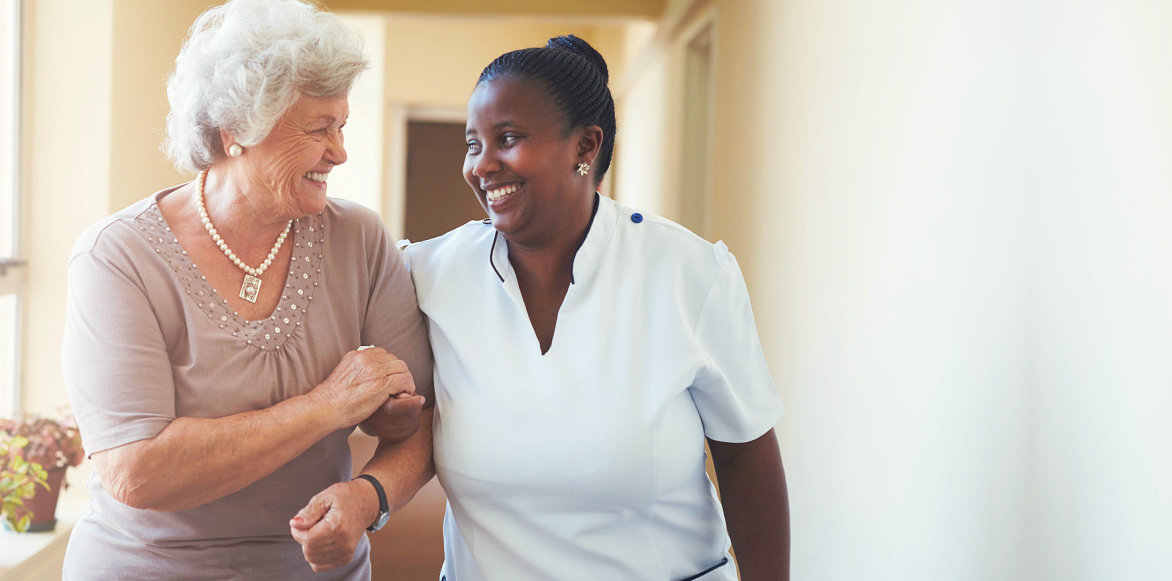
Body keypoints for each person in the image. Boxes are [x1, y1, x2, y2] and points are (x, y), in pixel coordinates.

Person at [60, 1, 434, 578]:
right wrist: (327, 406)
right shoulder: (118, 256)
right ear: (235, 131)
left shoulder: (358, 237)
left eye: (342, 126)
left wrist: (367, 498)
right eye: (318, 129)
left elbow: (427, 420)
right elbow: (138, 472)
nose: (339, 152)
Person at [402, 35, 787, 579]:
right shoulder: (429, 274)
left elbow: (746, 456)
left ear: (586, 147)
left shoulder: (687, 273)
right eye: (473, 144)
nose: (482, 166)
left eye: (507, 139)